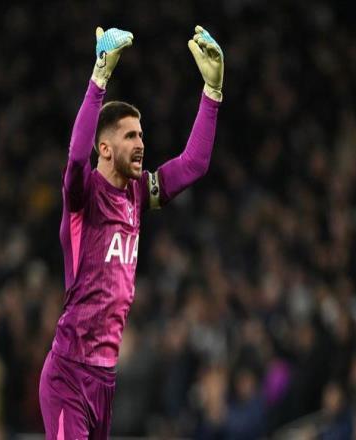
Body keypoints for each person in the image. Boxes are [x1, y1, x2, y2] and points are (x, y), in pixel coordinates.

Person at [39, 24, 224, 439]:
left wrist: (212, 92)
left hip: (105, 379)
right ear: (104, 148)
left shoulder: (139, 194)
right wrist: (99, 77)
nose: (141, 143)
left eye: (141, 135)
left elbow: (193, 164)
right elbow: (75, 158)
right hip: (68, 373)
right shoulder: (83, 197)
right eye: (129, 136)